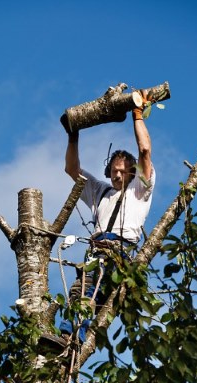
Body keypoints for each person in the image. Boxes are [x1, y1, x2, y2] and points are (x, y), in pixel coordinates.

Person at [44, 98, 156, 352]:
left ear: (132, 172)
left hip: (119, 251)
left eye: (122, 171)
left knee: (89, 291)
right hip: (97, 250)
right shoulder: (100, 191)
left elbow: (145, 151)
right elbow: (72, 170)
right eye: (113, 171)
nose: (117, 175)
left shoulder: (140, 190)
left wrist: (137, 114)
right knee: (79, 292)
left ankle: (69, 336)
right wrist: (73, 136)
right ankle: (68, 340)